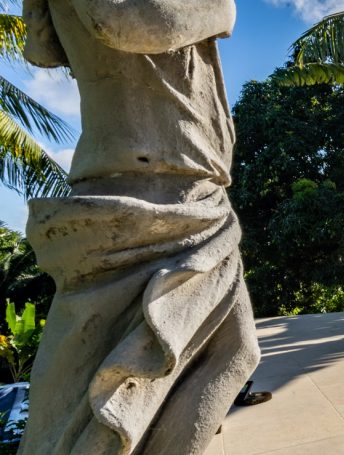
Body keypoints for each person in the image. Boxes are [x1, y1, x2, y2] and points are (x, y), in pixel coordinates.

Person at [19, 1, 259, 454]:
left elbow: (44, 46)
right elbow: (124, 21)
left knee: (233, 351)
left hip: (187, 190)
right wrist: (221, 9)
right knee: (93, 375)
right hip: (146, 192)